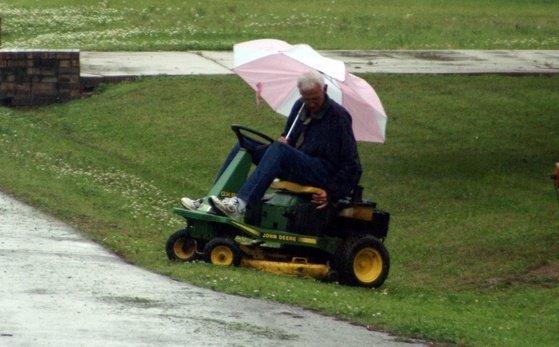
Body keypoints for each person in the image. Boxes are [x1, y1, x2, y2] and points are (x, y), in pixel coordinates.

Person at [181, 69, 362, 220]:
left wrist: (331, 193)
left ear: (325, 89)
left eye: (315, 99)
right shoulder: (300, 107)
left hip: (322, 172)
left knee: (279, 150)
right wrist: (284, 140)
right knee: (244, 145)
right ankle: (213, 200)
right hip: (299, 165)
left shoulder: (338, 117)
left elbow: (352, 164)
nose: (311, 104)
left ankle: (240, 204)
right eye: (306, 99)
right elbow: (288, 139)